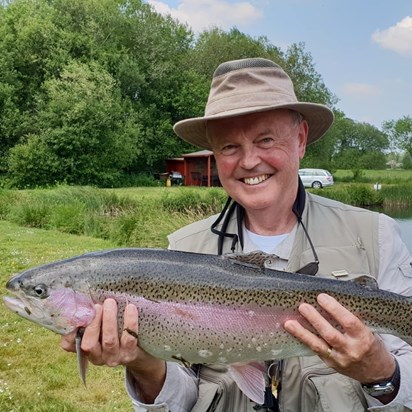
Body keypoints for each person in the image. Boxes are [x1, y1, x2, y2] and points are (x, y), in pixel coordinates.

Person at [61, 58, 412, 411]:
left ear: (301, 139)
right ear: (216, 153)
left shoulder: (374, 235)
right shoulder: (182, 250)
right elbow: (179, 400)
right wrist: (144, 365)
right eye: (229, 146)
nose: (248, 161)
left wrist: (382, 373)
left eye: (266, 139)